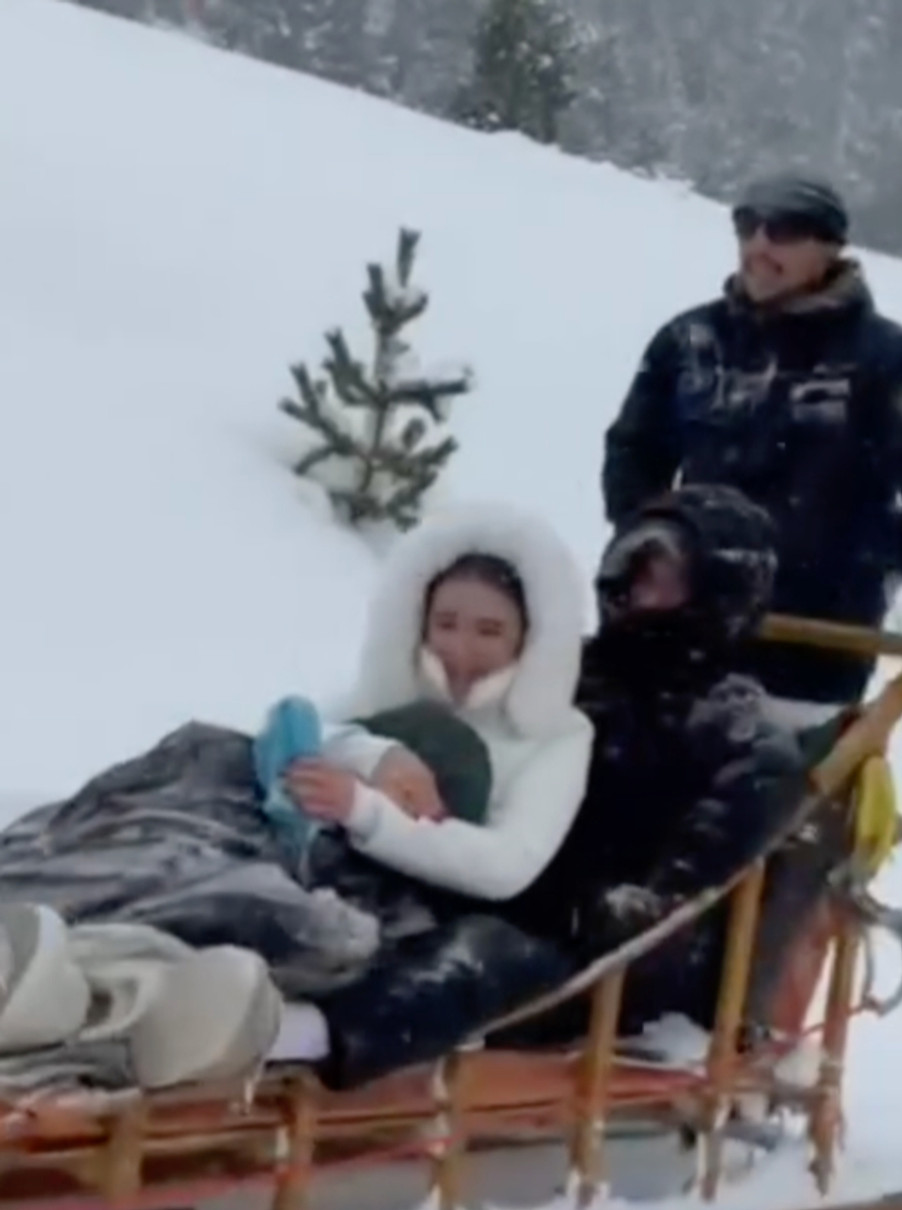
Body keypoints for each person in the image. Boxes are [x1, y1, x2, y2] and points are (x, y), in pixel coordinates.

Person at [312, 485, 813, 1088]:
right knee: (339, 890)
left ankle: (303, 1054)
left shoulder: (743, 740)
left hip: (593, 964)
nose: (640, 597)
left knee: (470, 955)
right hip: (465, 874)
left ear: (719, 595)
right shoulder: (566, 667)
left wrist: (613, 911)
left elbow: (682, 898)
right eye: (633, 572)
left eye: (666, 582)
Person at [0, 501, 592, 1012]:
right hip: (263, 823)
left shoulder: (554, 737)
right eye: (447, 623)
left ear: (529, 638)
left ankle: (61, 958)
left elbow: (506, 866)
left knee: (220, 886)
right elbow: (303, 728)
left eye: (489, 630)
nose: (461, 647)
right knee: (182, 782)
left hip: (364, 884)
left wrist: (366, 812)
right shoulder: (393, 693)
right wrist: (378, 754)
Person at [602, 172, 902, 718]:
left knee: (796, 772)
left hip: (818, 641)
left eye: (783, 230)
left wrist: (874, 559)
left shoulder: (884, 359)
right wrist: (652, 553)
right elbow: (633, 453)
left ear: (830, 247)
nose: (760, 245)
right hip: (687, 627)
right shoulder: (690, 342)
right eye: (747, 225)